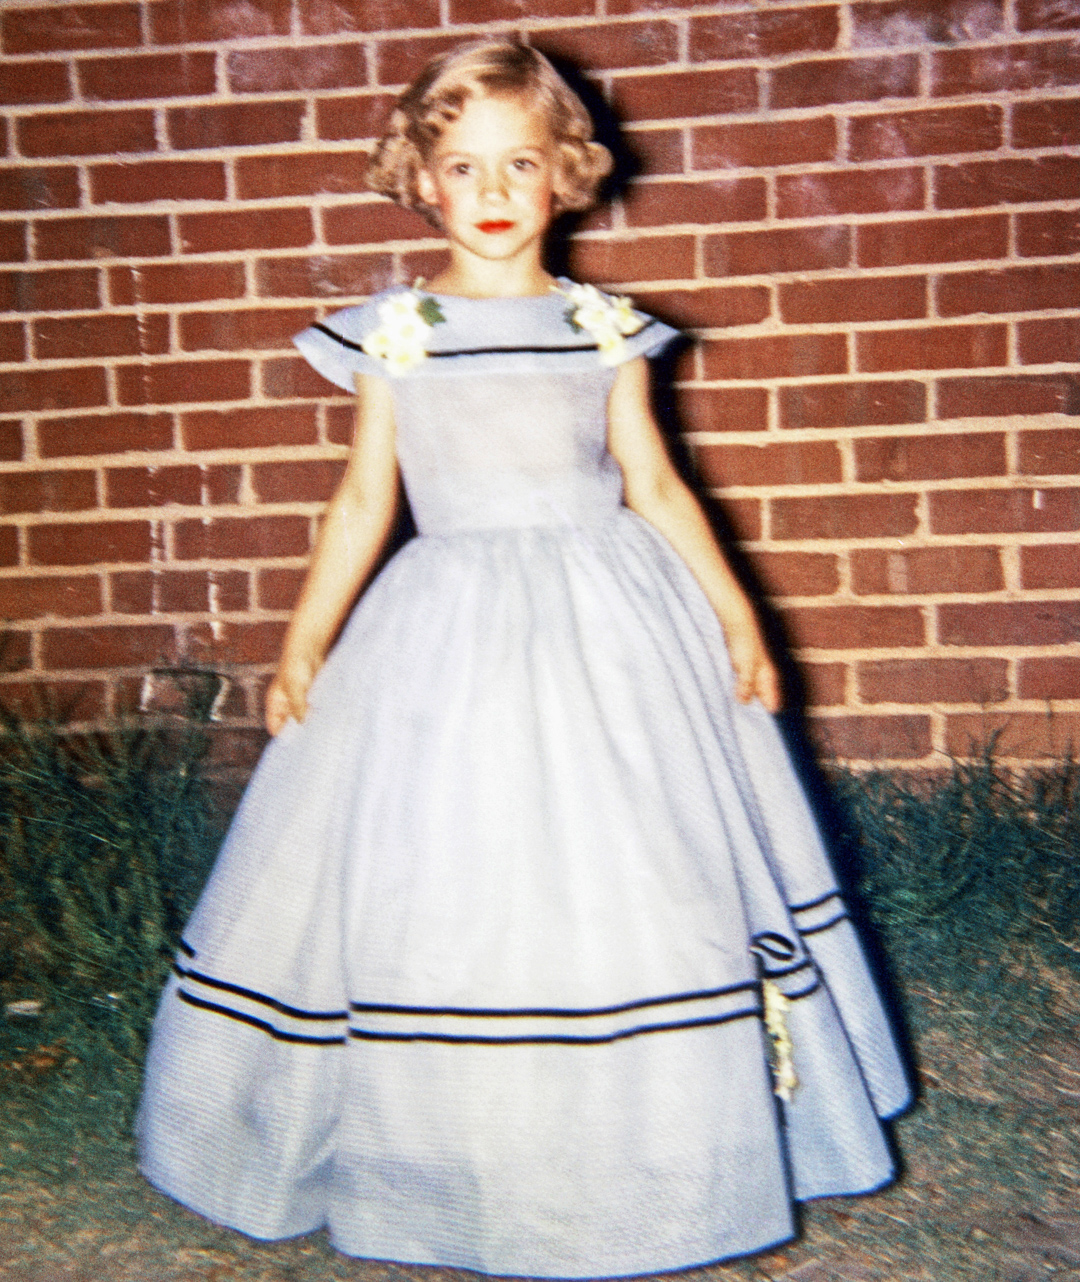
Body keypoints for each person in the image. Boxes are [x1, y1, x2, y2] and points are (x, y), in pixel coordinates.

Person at [136, 38, 910, 1278]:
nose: (492, 190)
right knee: (453, 866)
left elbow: (657, 485)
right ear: (420, 180)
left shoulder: (603, 329)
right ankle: (449, 1141)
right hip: (446, 633)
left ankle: (654, 1140)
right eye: (462, 166)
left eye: (520, 164)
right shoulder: (400, 333)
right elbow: (362, 502)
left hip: (613, 633)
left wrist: (739, 618)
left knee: (640, 862)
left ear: (566, 177)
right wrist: (303, 641)